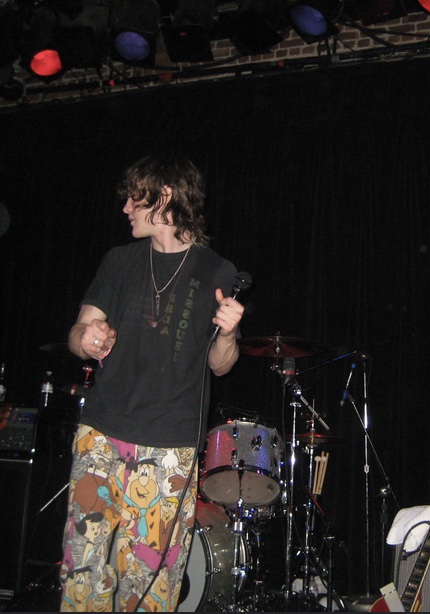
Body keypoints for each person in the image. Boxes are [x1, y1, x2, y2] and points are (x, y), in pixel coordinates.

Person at [58, 154, 245, 612]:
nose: (125, 208)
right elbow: (79, 334)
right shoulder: (119, 261)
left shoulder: (217, 271)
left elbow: (221, 365)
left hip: (169, 448)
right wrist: (88, 337)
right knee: (82, 574)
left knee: (151, 586)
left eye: (134, 198)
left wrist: (228, 333)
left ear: (164, 196)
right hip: (101, 435)